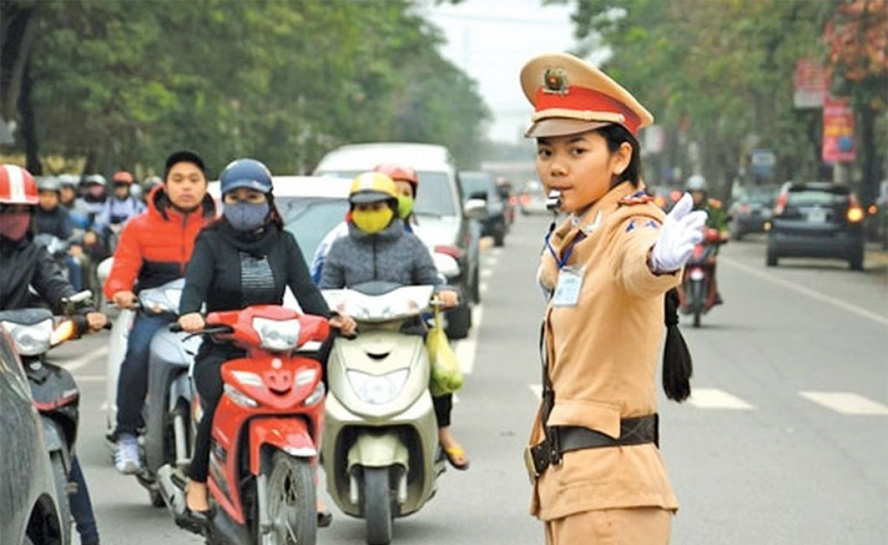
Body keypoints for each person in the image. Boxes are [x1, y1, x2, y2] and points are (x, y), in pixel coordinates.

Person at [518, 52, 706, 544]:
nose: (557, 167)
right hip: (575, 484)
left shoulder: (633, 224)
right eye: (546, 152)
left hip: (610, 493)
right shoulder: (576, 232)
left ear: (620, 157)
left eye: (577, 151)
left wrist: (661, 262)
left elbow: (638, 263)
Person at [177, 158, 356, 523]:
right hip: (223, 350)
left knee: (312, 396)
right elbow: (194, 286)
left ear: (269, 200)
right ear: (224, 201)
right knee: (215, 403)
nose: (244, 205)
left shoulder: (284, 243)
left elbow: (306, 291)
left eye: (253, 197)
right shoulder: (210, 241)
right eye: (236, 197)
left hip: (275, 351)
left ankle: (310, 480)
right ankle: (197, 481)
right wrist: (190, 313)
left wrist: (330, 320)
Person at [318, 171, 470, 470]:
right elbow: (327, 289)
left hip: (406, 329)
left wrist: (445, 293)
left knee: (438, 372)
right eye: (362, 208)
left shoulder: (411, 245)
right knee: (316, 367)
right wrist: (334, 316)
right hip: (353, 332)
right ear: (352, 211)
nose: (370, 214)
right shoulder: (340, 247)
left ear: (392, 207)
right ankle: (322, 434)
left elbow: (432, 280)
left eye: (377, 207)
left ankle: (443, 433)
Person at [0, 164, 108, 545]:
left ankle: (90, 536)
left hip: (22, 364)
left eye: (22, 210)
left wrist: (79, 311)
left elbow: (57, 286)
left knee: (57, 422)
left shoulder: (33, 252)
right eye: (6, 210)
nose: (15, 218)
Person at [104, 150, 215, 474]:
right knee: (136, 353)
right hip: (155, 311)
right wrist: (120, 291)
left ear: (205, 185)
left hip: (204, 315)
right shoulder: (139, 227)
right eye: (178, 179)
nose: (186, 187)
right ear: (164, 185)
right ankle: (126, 434)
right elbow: (121, 270)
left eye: (194, 180)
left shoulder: (218, 228)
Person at [310, 163, 426, 284]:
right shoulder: (340, 237)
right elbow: (322, 287)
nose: (401, 199)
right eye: (395, 192)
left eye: (406, 194)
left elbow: (431, 283)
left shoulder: (418, 239)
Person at [685, 174, 729, 304]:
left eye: (699, 193)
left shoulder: (713, 208)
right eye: (693, 193)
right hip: (687, 246)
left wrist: (723, 233)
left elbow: (722, 225)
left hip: (707, 246)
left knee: (711, 265)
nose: (696, 196)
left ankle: (714, 291)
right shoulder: (683, 207)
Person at [34, 176, 84, 290]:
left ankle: (76, 298)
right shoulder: (31, 211)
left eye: (51, 196)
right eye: (44, 195)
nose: (47, 199)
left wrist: (71, 244)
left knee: (74, 264)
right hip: (34, 252)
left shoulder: (63, 213)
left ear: (58, 197)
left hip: (58, 254)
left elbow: (67, 235)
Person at [93, 170, 146, 242]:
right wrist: (94, 231)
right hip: (111, 238)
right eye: (118, 186)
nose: (120, 189)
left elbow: (144, 221)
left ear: (128, 188)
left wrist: (123, 226)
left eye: (123, 186)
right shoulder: (109, 203)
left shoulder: (137, 205)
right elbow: (101, 220)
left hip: (132, 238)